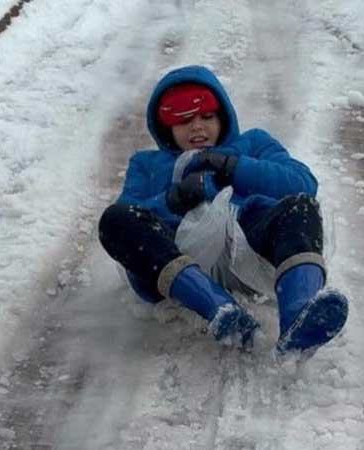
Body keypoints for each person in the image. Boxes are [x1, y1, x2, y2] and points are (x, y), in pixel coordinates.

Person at [98, 65, 348, 356]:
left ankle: (298, 314)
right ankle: (217, 307)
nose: (197, 127)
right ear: (167, 126)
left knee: (301, 208)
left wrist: (233, 167)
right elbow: (130, 212)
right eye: (184, 120)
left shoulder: (253, 143)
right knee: (115, 220)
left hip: (249, 245)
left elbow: (302, 183)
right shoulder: (146, 163)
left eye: (207, 116)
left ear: (222, 115)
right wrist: (172, 201)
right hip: (174, 263)